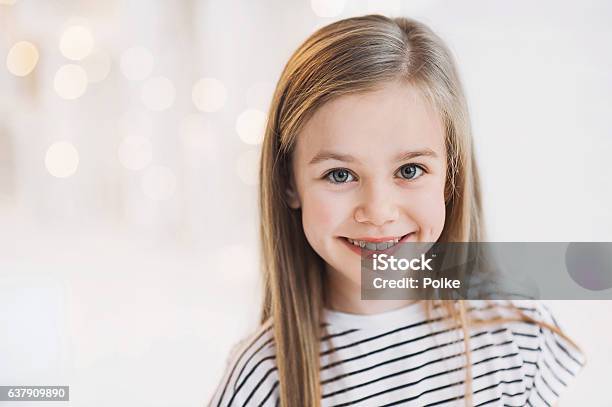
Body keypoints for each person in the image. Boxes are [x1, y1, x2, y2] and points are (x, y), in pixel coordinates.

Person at [208, 14, 585, 407]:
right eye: (340, 174)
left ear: (450, 173)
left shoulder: (517, 331)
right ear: (289, 183)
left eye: (409, 171)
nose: (378, 211)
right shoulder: (263, 379)